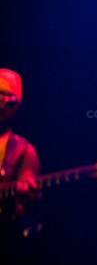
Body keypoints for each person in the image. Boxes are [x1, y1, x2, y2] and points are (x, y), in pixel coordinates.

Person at [0, 68, 42, 240]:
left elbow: (27, 218)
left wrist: (28, 202)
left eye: (9, 99)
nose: (1, 103)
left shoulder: (22, 150)